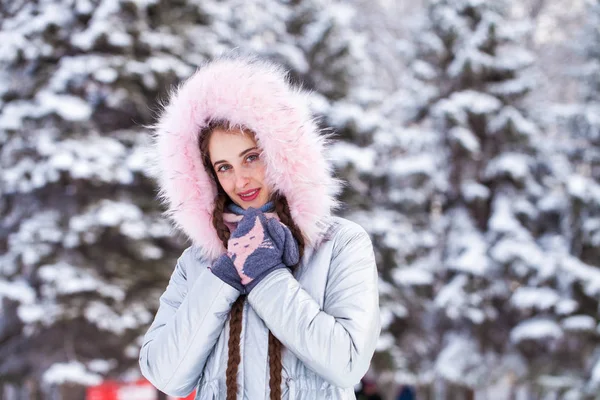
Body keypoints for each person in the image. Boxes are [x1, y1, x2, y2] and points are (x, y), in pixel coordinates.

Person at [138, 56, 381, 400]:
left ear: (279, 151)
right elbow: (167, 375)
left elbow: (347, 363)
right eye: (224, 167)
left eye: (251, 157)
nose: (240, 180)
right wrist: (224, 276)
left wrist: (266, 276)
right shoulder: (199, 263)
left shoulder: (339, 244)